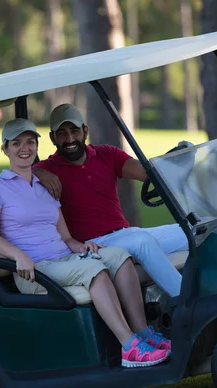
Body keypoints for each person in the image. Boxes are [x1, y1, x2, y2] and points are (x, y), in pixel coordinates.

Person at [0, 118, 171, 368]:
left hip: (64, 259)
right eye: (16, 143)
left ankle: (143, 332)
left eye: (29, 142)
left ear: (37, 146)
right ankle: (129, 347)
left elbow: (66, 237)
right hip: (35, 270)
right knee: (94, 270)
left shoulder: (46, 186)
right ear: (5, 149)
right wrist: (18, 256)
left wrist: (82, 247)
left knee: (118, 256)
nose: (24, 148)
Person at [32, 103, 188, 298]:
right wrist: (37, 172)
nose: (70, 138)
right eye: (62, 133)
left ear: (85, 131)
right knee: (142, 242)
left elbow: (146, 174)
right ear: (52, 138)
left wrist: (178, 161)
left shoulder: (106, 154)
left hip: (125, 234)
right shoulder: (46, 169)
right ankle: (187, 300)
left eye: (74, 131)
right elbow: (22, 180)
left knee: (192, 230)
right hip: (93, 245)